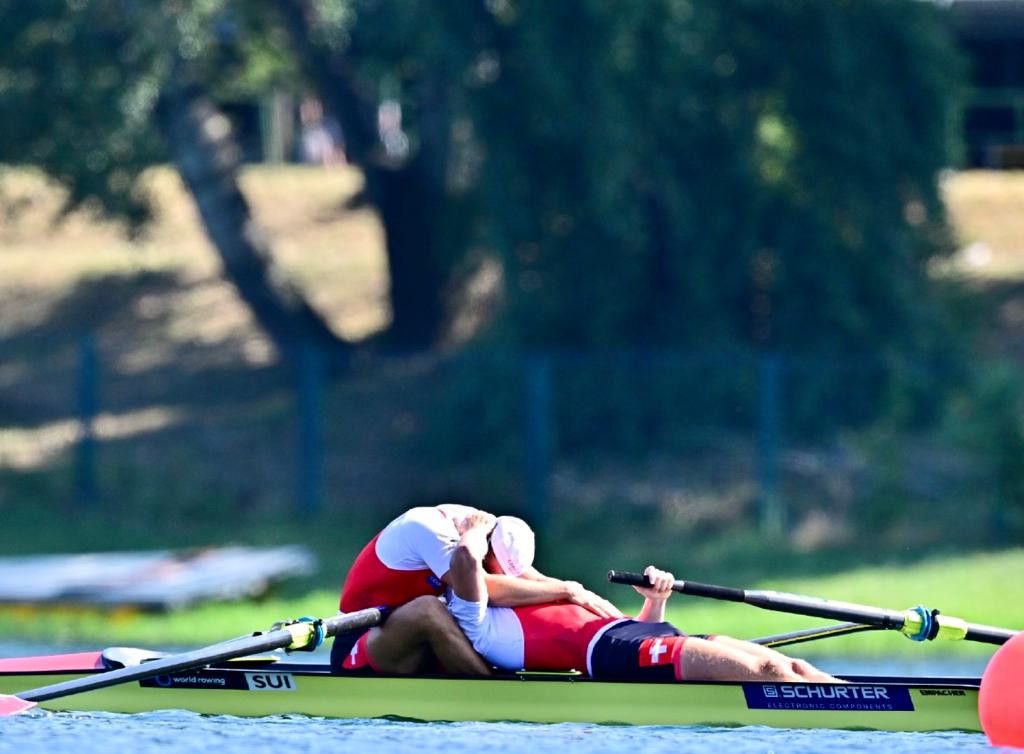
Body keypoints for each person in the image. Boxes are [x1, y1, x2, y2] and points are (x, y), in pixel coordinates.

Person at [445, 523, 840, 683]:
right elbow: (465, 561)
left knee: (796, 667)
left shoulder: (540, 590)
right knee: (770, 670)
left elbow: (635, 628)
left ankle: (866, 713)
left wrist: (655, 601)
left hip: (636, 637)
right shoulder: (474, 617)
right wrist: (475, 529)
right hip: (611, 653)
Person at [331, 503, 622, 676]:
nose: (498, 572)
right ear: (486, 549)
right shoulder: (430, 530)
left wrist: (587, 599)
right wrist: (564, 590)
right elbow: (484, 586)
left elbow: (532, 581)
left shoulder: (491, 532)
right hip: (360, 641)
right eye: (494, 566)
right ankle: (490, 691)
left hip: (406, 638)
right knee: (429, 610)